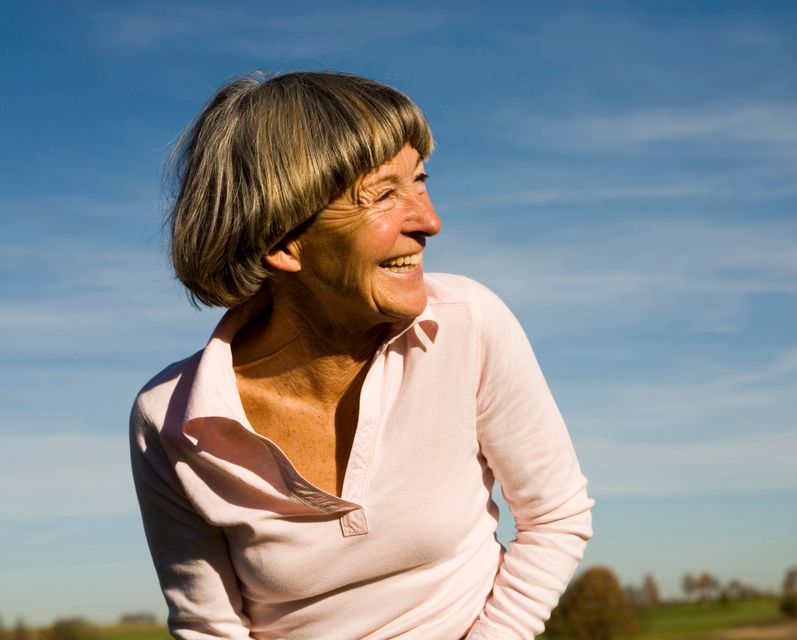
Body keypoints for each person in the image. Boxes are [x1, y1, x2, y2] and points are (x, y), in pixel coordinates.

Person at [130, 71, 593, 640]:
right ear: (281, 242)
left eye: (419, 181)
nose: (429, 221)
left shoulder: (468, 323)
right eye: (384, 194)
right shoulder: (169, 420)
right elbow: (209, 627)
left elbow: (555, 517)